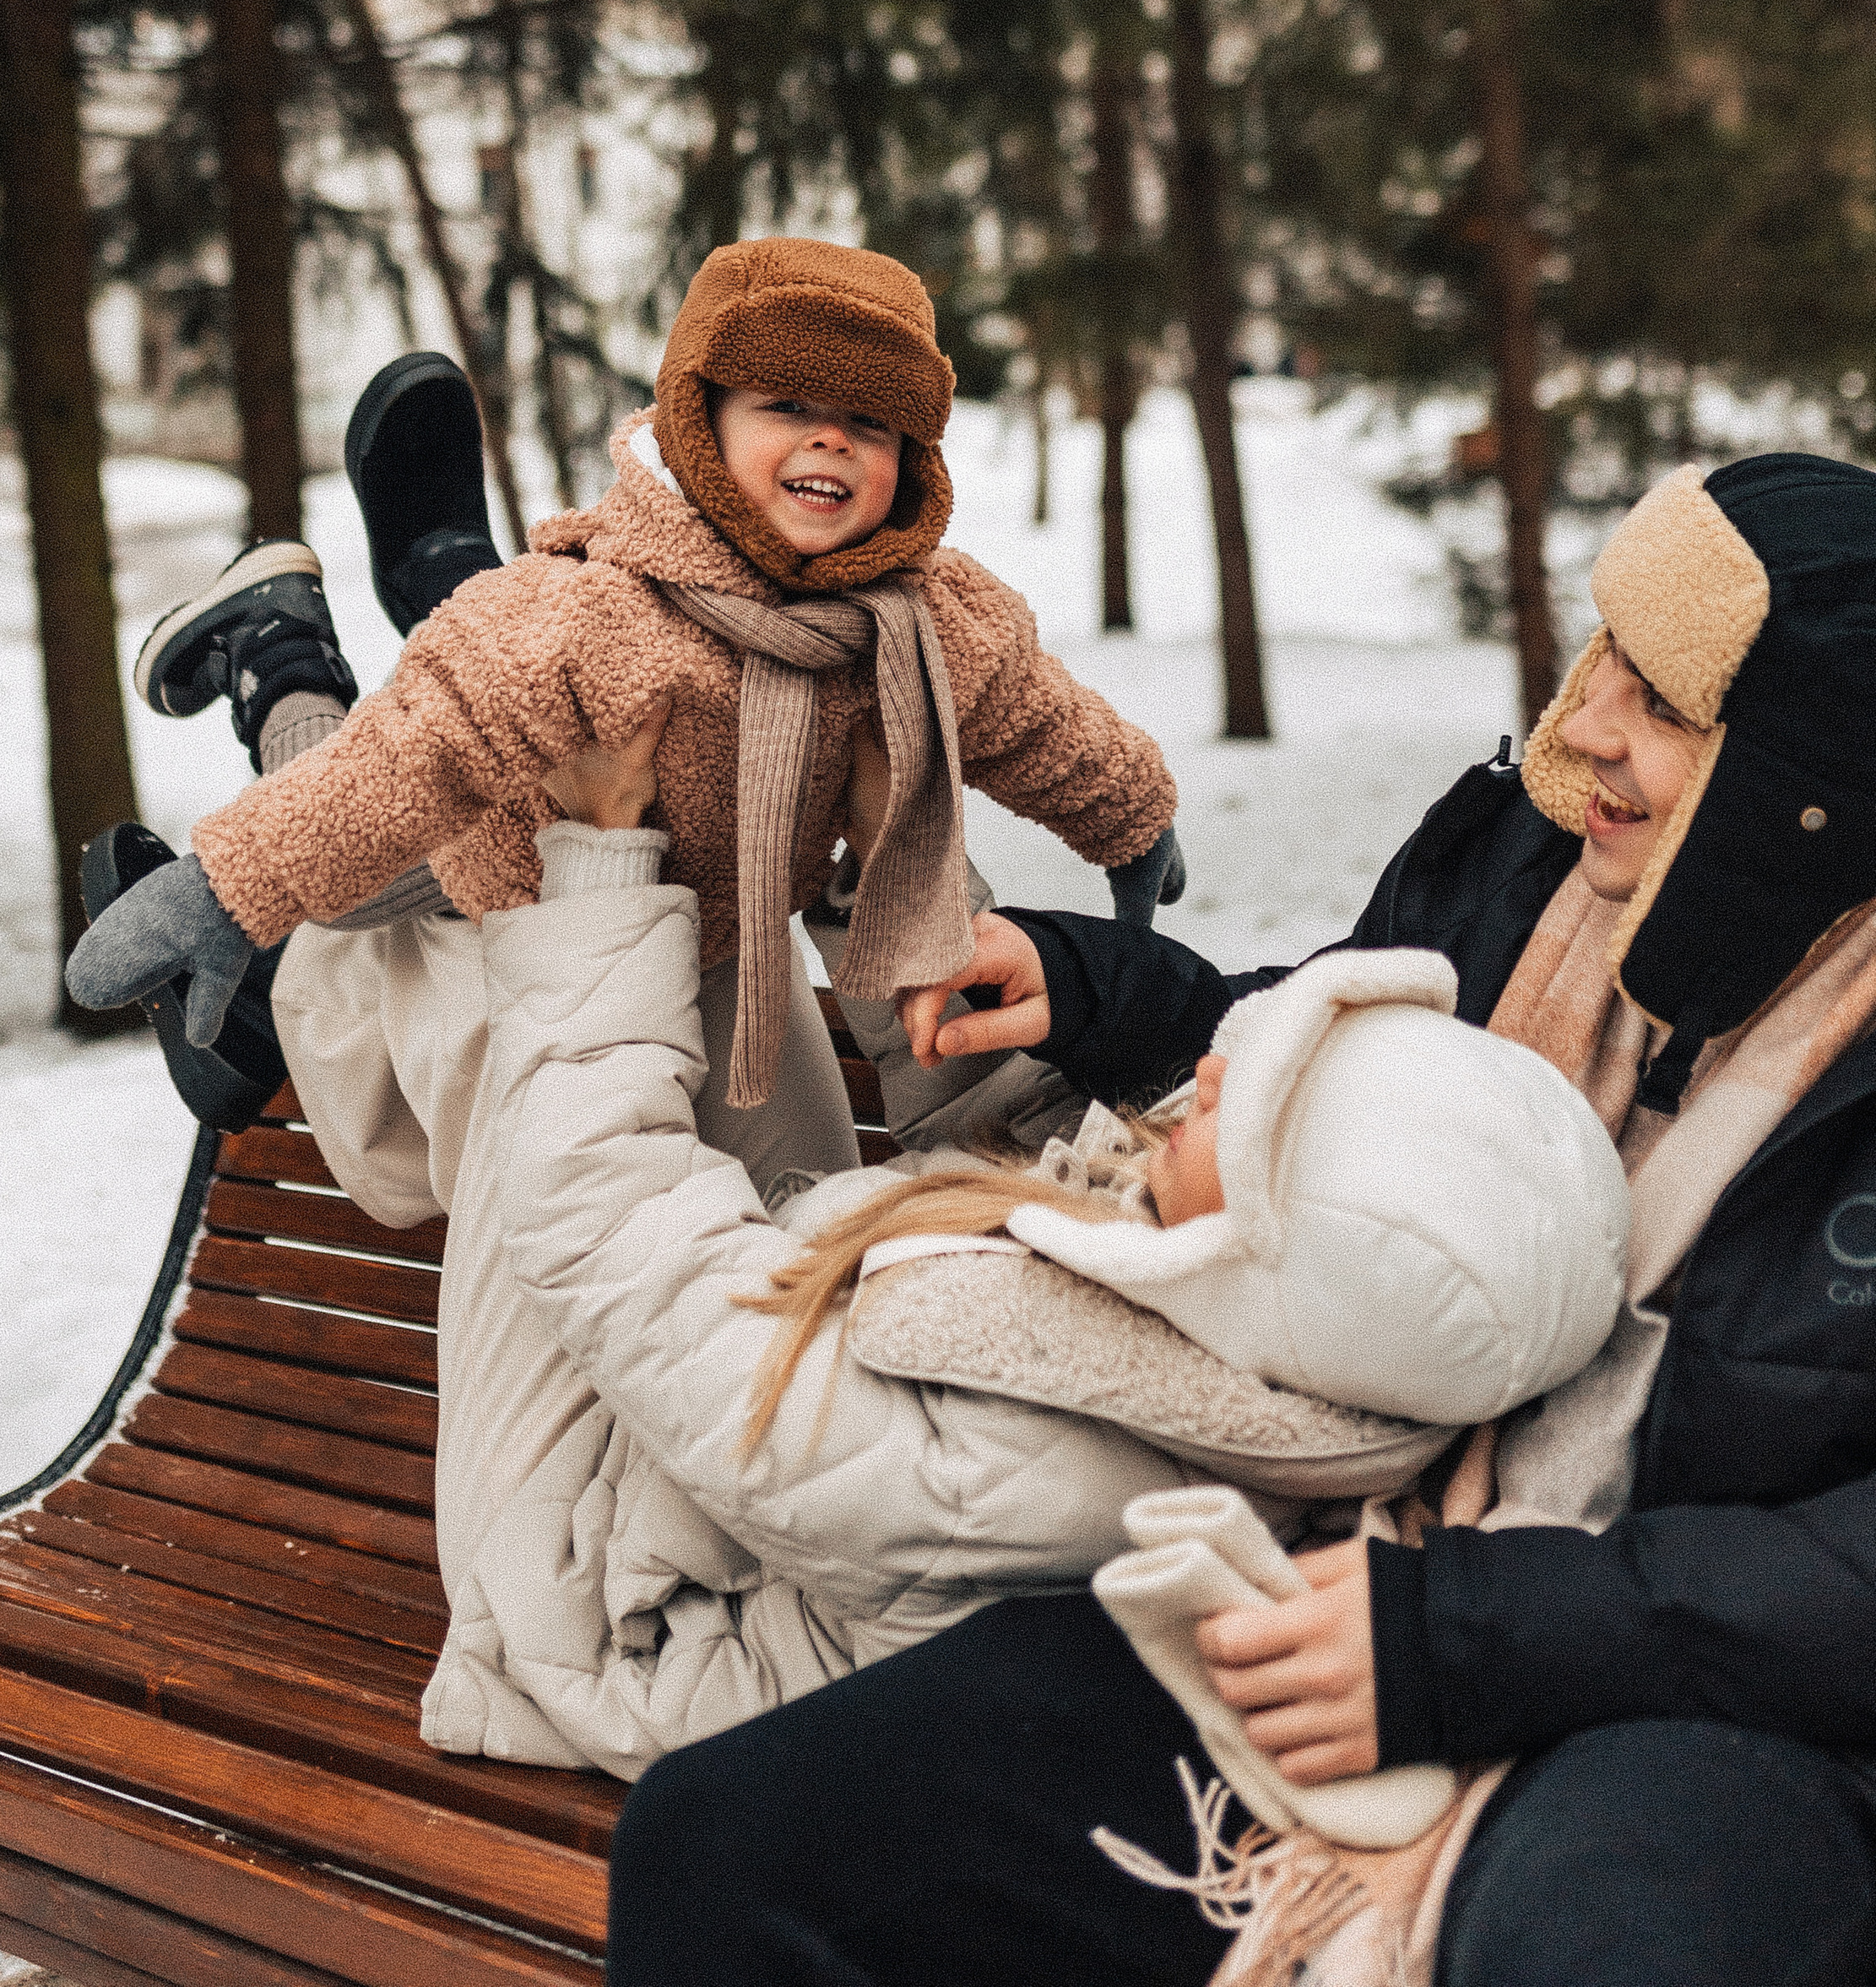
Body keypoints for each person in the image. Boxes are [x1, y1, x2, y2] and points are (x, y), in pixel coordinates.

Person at [606, 448, 1876, 1987]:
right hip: (1344, 1554)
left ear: (1810, 781)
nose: (1587, 722)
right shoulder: (1542, 863)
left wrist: (1456, 1641)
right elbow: (1328, 1089)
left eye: (1667, 704)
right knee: (737, 1839)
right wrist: (1092, 986)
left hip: (1716, 1717)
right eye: (1603, 650)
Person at [358, 711, 1621, 1782]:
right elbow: (1010, 1157)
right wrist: (880, 874)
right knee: (672, 951)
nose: (1219, 1065)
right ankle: (320, 947)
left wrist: (598, 862)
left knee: (526, 964)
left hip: (581, 1596)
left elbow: (596, 1208)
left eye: (1256, 1106)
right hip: (703, 1463)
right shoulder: (1277, 1343)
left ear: (1252, 1246)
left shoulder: (994, 1472)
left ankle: (303, 747)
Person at [71, 239, 1181, 1121]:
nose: (833, 442)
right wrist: (232, 882)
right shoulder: (610, 622)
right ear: (703, 426)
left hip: (698, 923)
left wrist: (1130, 817)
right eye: (789, 408)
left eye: (871, 424)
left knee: (470, 684)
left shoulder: (930, 622)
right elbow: (413, 755)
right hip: (511, 853)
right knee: (345, 864)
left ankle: (444, 579)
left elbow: (1042, 722)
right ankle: (279, 654)